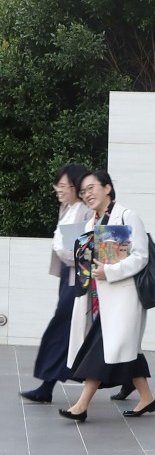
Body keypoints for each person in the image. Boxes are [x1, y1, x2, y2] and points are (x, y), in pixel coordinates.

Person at [59, 170, 155, 421]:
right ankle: (147, 398)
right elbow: (89, 261)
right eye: (83, 191)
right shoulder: (91, 223)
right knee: (126, 348)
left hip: (124, 298)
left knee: (102, 347)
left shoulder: (126, 216)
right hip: (98, 299)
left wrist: (110, 271)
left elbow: (141, 256)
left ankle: (81, 406)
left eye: (91, 188)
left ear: (107, 188)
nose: (87, 194)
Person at [19, 164, 91, 403]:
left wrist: (65, 252)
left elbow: (77, 253)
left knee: (62, 327)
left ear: (75, 186)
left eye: (62, 186)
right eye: (57, 186)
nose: (58, 190)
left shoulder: (83, 211)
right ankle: (131, 376)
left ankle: (46, 385)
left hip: (79, 280)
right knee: (72, 329)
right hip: (68, 277)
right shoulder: (67, 208)